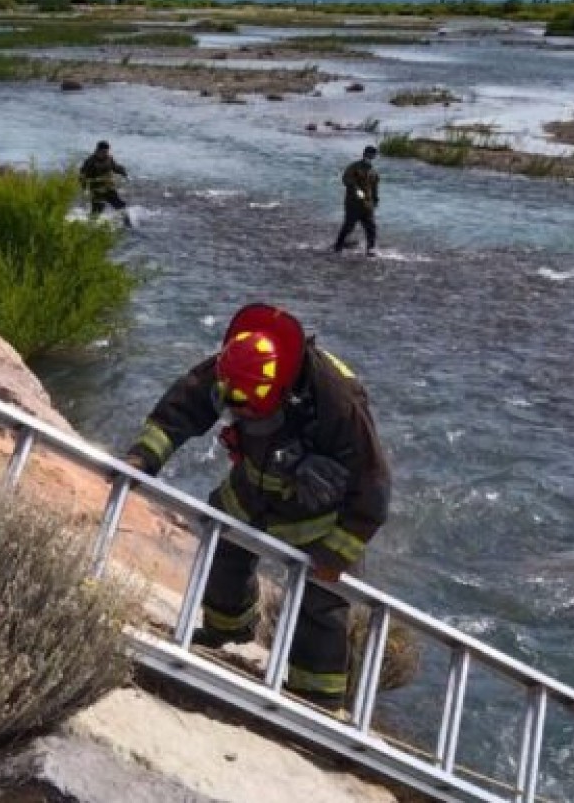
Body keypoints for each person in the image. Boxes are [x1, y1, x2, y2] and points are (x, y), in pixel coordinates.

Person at [124, 303, 390, 714]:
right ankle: (225, 634)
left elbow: (373, 483)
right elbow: (183, 406)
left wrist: (336, 554)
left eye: (250, 404)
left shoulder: (336, 399)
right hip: (252, 488)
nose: (240, 411)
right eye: (234, 402)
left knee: (322, 604)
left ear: (281, 385)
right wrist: (143, 458)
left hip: (318, 516)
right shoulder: (239, 363)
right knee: (224, 549)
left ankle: (317, 701)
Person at [332, 145, 380, 256]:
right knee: (349, 226)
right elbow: (346, 179)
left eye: (373, 155)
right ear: (364, 154)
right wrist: (356, 189)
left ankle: (370, 250)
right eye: (369, 154)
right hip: (353, 204)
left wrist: (376, 200)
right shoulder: (354, 167)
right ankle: (338, 246)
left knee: (371, 227)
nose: (371, 156)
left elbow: (375, 187)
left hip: (367, 204)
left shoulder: (373, 172)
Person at [78, 139, 132, 227]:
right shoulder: (90, 162)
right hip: (96, 191)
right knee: (98, 210)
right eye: (104, 152)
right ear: (98, 151)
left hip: (109, 189)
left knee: (121, 205)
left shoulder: (109, 158)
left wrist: (124, 174)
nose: (106, 154)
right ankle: (89, 227)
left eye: (107, 151)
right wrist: (84, 189)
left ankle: (128, 226)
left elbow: (116, 167)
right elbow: (82, 176)